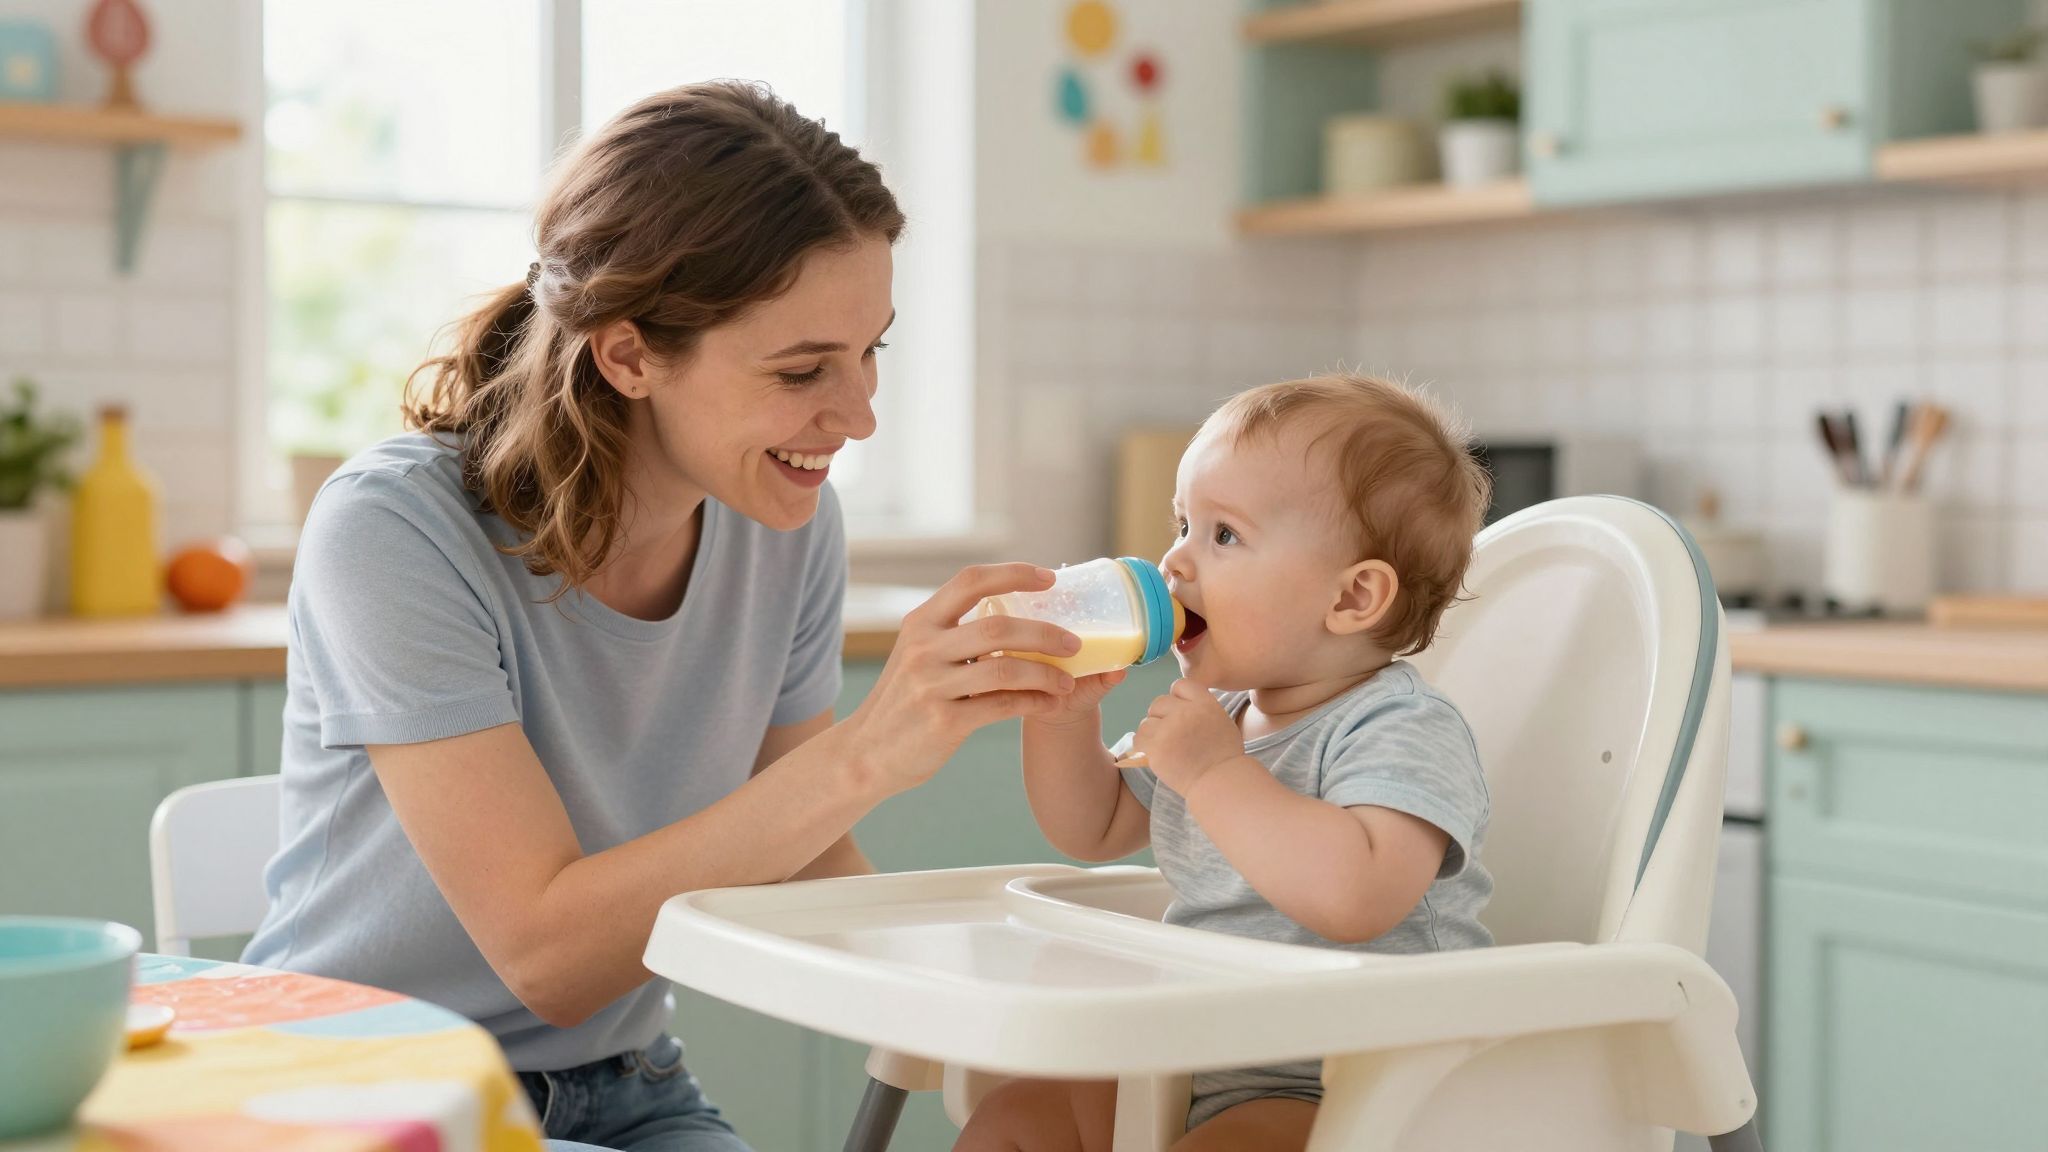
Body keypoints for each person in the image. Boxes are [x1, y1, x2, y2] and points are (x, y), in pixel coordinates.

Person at [242, 81, 1085, 1152]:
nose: (860, 413)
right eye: (802, 369)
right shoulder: (396, 531)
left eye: (872, 349)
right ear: (629, 353)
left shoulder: (786, 526)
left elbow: (801, 855)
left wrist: (1004, 1017)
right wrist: (871, 752)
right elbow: (546, 959)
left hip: (627, 1089)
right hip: (365, 1086)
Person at [957, 373, 1496, 1152]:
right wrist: (1067, 718)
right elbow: (1094, 824)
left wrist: (1212, 775)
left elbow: (1358, 897)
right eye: (1181, 523)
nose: (1173, 562)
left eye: (1224, 535)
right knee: (1013, 1119)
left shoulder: (1399, 726)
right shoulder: (1224, 721)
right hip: (1201, 1054)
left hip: (1359, 1083)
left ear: (1352, 600)